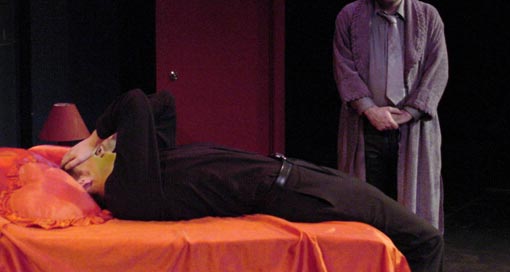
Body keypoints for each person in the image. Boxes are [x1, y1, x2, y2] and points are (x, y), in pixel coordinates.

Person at [62, 89, 444, 272]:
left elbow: (163, 103)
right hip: (291, 191)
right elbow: (132, 102)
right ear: (84, 184)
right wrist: (91, 140)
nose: (99, 153)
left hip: (291, 176)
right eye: (88, 161)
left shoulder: (149, 171)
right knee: (424, 238)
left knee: (417, 235)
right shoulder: (129, 193)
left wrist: (106, 141)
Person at [333, 0, 449, 232]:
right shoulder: (350, 16)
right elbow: (343, 67)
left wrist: (409, 113)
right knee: (365, 205)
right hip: (365, 125)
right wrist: (370, 110)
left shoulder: (428, 16)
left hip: (413, 128)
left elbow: (437, 69)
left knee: (411, 209)